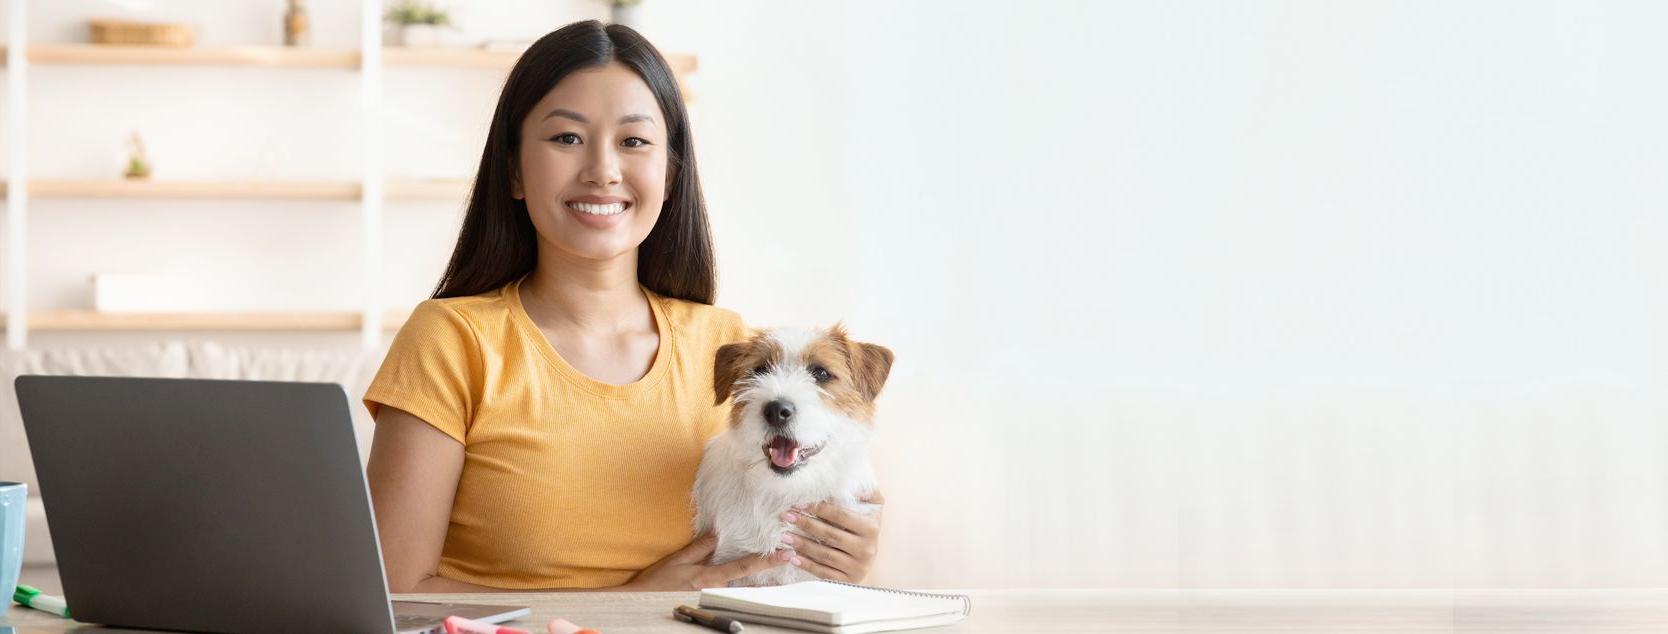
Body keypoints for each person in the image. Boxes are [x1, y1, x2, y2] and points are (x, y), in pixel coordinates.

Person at [361, 20, 883, 593]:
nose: (603, 170)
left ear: (670, 172)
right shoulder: (451, 341)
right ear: (512, 169)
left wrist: (840, 555)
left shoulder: (728, 346)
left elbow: (770, 555)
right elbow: (395, 594)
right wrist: (622, 608)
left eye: (634, 142)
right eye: (566, 138)